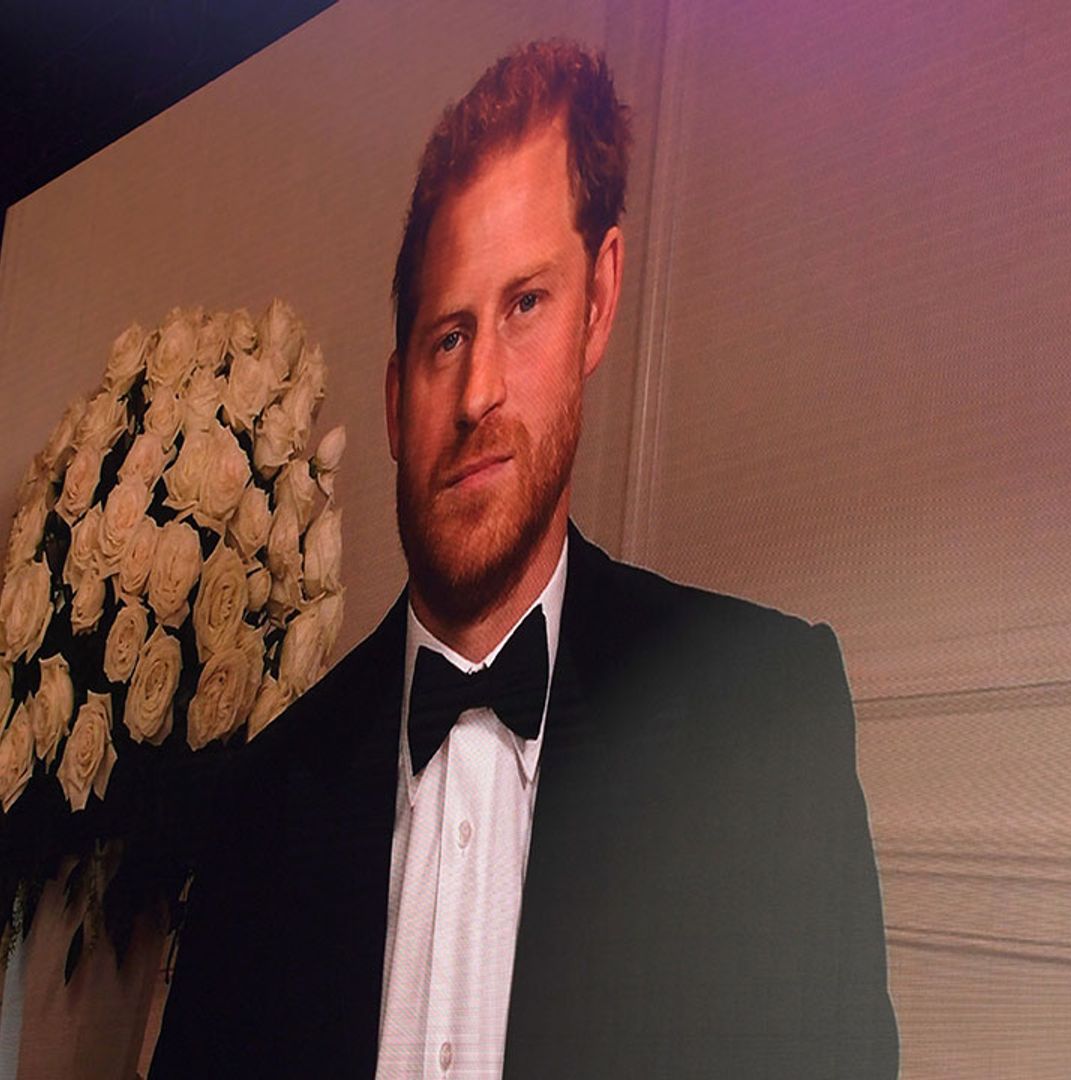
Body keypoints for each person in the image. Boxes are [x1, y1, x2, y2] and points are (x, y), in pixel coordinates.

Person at [151, 41, 898, 1079]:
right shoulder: (259, 804)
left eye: (525, 305)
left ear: (599, 301)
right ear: (392, 402)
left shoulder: (766, 719)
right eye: (446, 339)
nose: (477, 395)